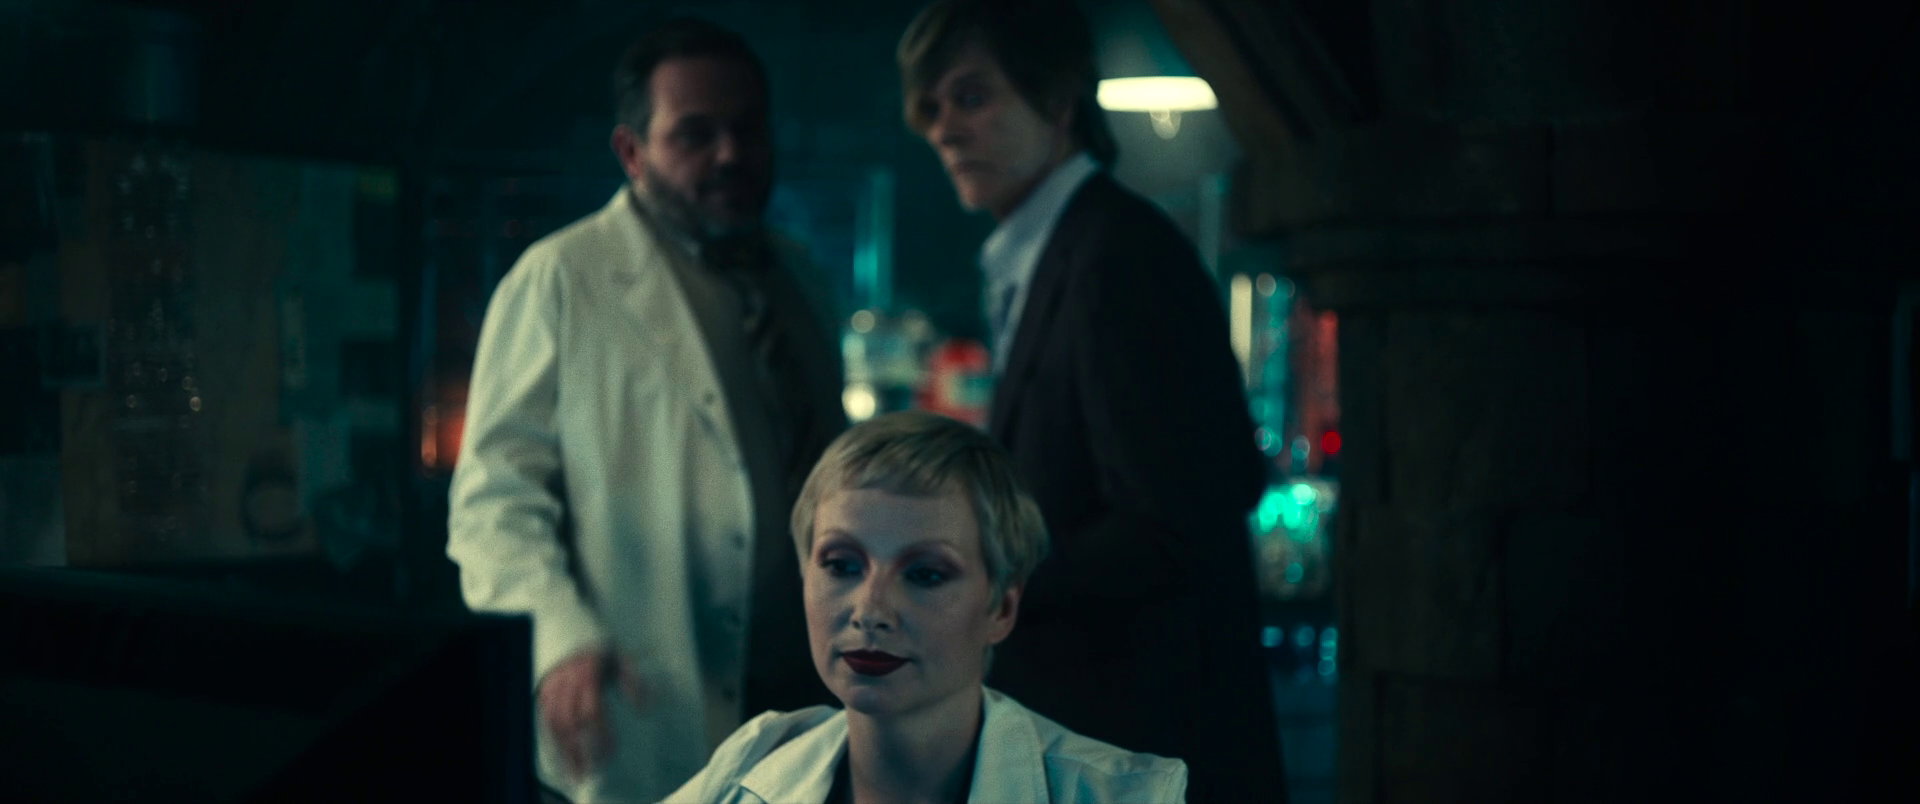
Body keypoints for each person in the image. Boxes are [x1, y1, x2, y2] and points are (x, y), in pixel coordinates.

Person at [447, 18, 847, 804]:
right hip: (639, 703)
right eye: (695, 134)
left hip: (803, 702)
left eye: (747, 129)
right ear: (632, 152)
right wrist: (560, 638)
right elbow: (495, 502)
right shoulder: (561, 277)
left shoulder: (800, 278)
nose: (730, 154)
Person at [895, 2, 1286, 802]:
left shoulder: (1114, 257)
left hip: (1145, 742)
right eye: (931, 108)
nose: (944, 130)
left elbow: (1171, 521)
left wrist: (978, 581)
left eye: (971, 96)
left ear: (1057, 99)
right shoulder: (1068, 247)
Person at [663, 411, 1188, 804]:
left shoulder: (1117, 795)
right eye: (842, 565)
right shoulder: (756, 761)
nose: (871, 610)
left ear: (1001, 609)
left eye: (925, 574)